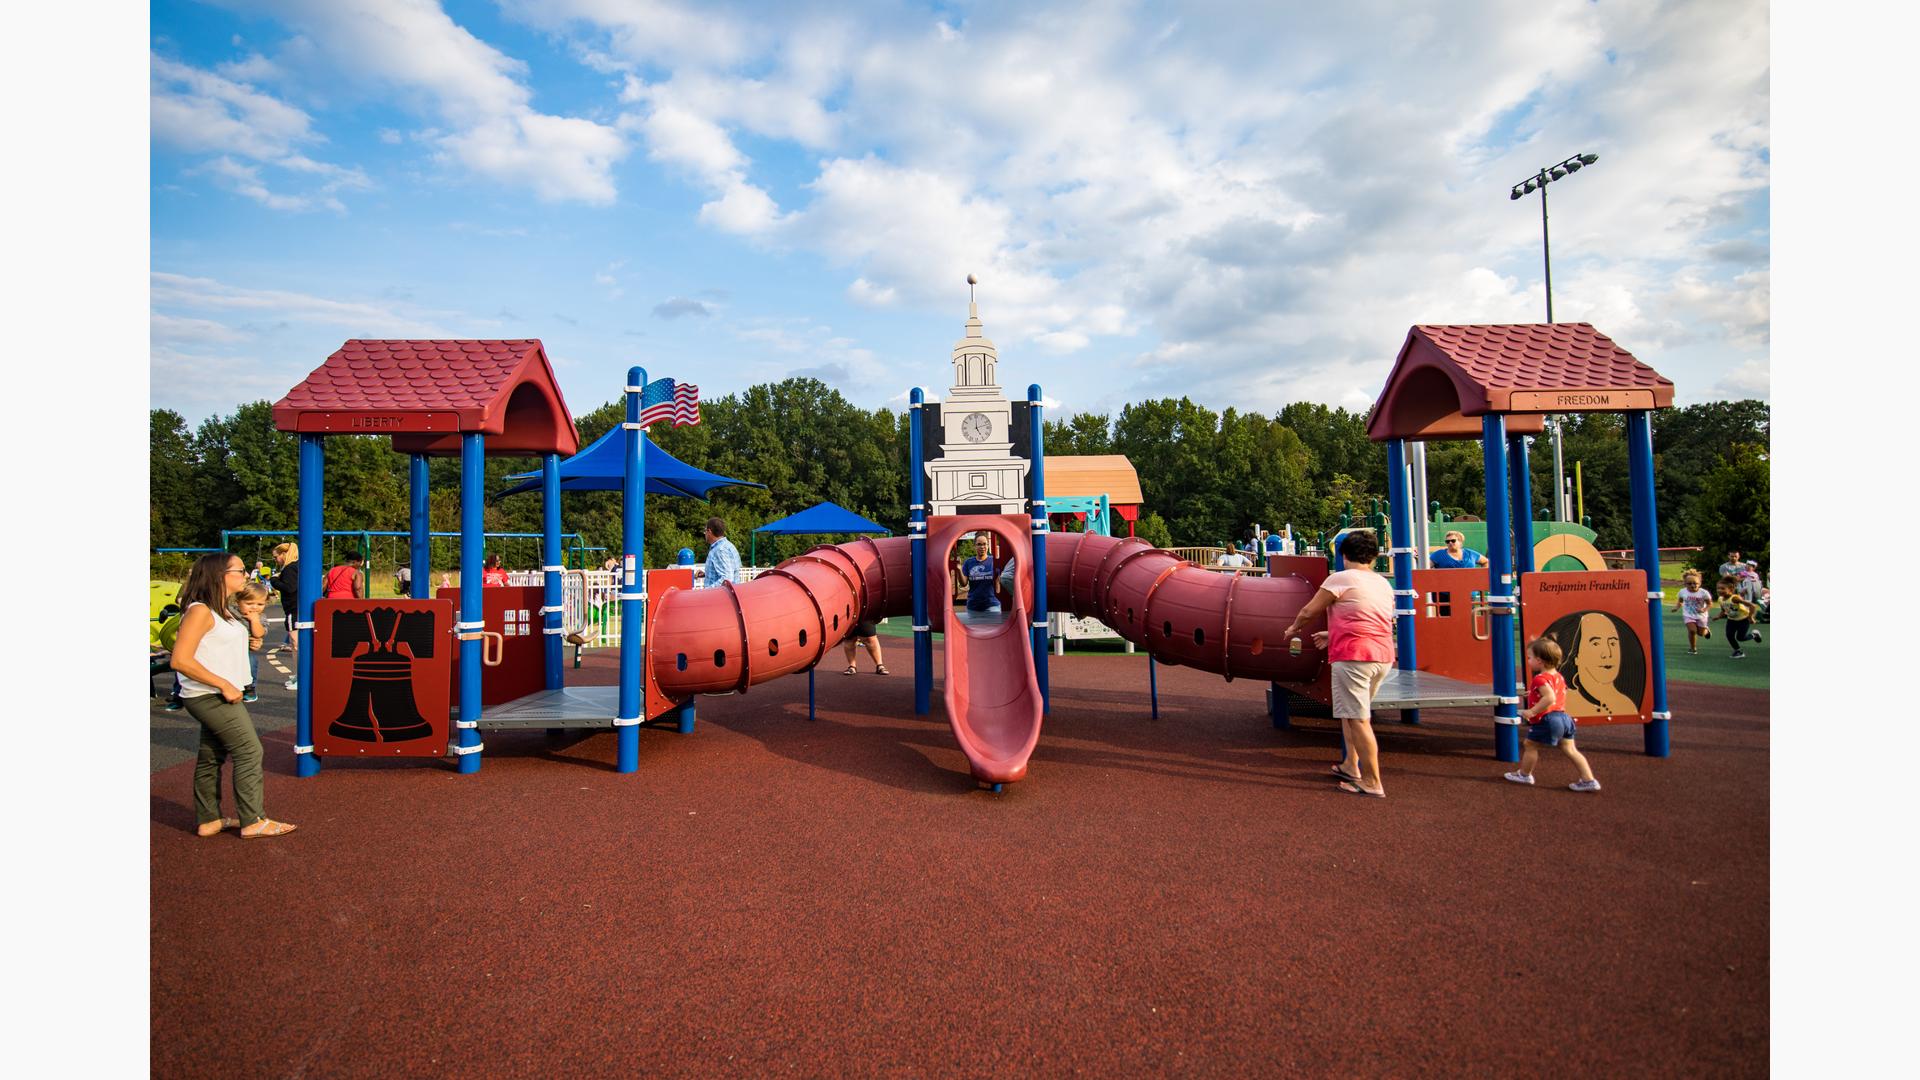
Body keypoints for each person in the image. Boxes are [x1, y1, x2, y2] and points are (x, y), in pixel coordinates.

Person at [169, 553, 297, 839]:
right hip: (210, 694)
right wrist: (224, 684)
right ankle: (253, 819)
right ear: (220, 575)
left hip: (218, 692)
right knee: (250, 750)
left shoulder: (222, 610)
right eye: (239, 570)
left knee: (211, 755)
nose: (245, 575)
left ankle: (209, 819)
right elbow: (180, 660)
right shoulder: (200, 611)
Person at [1281, 530, 1396, 798]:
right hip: (1381, 654)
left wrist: (1293, 628)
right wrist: (1332, 634)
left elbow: (1310, 610)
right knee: (1351, 713)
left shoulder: (1340, 578)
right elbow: (1370, 621)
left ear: (1343, 555)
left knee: (1358, 718)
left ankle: (1371, 781)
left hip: (1354, 657)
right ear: (1374, 556)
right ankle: (1350, 765)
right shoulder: (1382, 583)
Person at [1503, 637, 1601, 791]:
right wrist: (1534, 694)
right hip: (1564, 718)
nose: (1528, 661)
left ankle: (1524, 775)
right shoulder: (1558, 676)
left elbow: (1550, 697)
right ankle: (1588, 780)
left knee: (1530, 745)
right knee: (1570, 749)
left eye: (1529, 658)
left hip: (1548, 718)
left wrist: (1532, 711)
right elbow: (1555, 693)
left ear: (1539, 661)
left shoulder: (1540, 679)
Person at [1560, 611, 1639, 716]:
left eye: (1612, 643)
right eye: (1596, 643)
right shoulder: (1563, 702)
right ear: (1576, 656)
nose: (1607, 653)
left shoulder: (1628, 706)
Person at [270, 542, 301, 691]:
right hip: (299, 608)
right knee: (297, 644)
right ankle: (298, 675)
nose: (276, 560)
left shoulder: (289, 569)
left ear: (284, 554)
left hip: (293, 609)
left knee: (296, 644)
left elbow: (289, 588)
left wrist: (274, 580)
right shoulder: (298, 566)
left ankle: (300, 677)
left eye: (276, 557)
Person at [235, 581, 271, 703]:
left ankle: (250, 687)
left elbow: (259, 634)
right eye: (249, 603)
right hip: (231, 647)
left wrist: (254, 621)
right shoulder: (231, 613)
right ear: (237, 602)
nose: (255, 607)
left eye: (260, 604)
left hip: (247, 648)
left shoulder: (261, 617)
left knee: (251, 661)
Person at [1710, 576, 1757, 659]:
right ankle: (1738, 651)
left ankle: (1754, 635)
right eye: (1718, 588)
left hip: (1743, 620)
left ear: (1731, 589)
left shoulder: (1734, 598)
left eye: (1722, 588)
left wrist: (1751, 617)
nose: (1719, 590)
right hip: (1731, 620)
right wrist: (1718, 617)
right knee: (1729, 635)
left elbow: (1752, 605)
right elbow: (1723, 610)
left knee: (1741, 638)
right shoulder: (1720, 599)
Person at [1672, 571, 1713, 655]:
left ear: (1700, 583)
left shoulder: (1704, 593)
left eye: (1695, 583)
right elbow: (1680, 601)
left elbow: (1710, 604)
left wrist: (1704, 610)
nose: (1692, 585)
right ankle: (1693, 648)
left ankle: (1706, 631)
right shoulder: (1682, 592)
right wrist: (1676, 608)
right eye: (1689, 584)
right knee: (1692, 631)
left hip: (1701, 616)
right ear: (1685, 584)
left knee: (1701, 633)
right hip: (1688, 615)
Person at [960, 535, 1002, 613]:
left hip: (992, 605)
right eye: (979, 544)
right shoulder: (968, 562)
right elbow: (963, 584)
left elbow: (999, 583)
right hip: (973, 606)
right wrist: (958, 569)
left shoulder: (994, 561)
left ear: (988, 546)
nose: (982, 547)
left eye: (984, 544)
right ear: (974, 546)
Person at [702, 517, 741, 589]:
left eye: (705, 531)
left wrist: (706, 592)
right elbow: (729, 571)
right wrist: (706, 574)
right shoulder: (728, 545)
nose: (705, 534)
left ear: (709, 531)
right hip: (730, 596)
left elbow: (727, 578)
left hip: (718, 597)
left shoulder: (719, 550)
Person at [1737, 561, 1763, 643]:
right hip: (1744, 589)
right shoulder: (1743, 572)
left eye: (1750, 566)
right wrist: (1743, 578)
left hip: (1752, 591)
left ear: (1753, 567)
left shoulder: (1755, 574)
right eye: (1747, 565)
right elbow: (1738, 579)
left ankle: (1749, 617)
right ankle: (1745, 618)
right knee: (1744, 603)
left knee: (1750, 604)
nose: (1748, 567)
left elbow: (1757, 583)